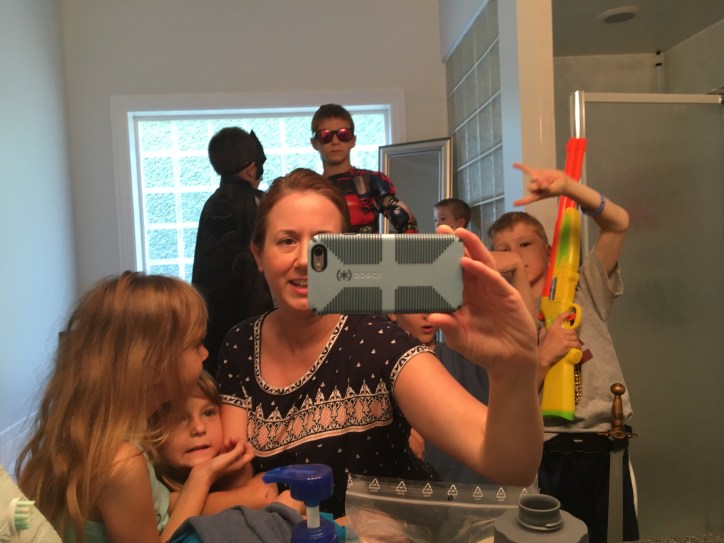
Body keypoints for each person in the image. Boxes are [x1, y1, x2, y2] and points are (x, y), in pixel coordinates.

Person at [216, 168, 543, 518]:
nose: (304, 261)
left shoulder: (379, 343)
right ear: (258, 254)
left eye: (322, 243)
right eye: (287, 241)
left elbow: (511, 466)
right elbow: (236, 482)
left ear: (348, 252)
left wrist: (511, 369)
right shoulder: (241, 345)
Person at [15, 272, 253, 543]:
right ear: (156, 365)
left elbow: (156, 508)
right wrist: (202, 479)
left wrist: (205, 478)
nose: (205, 353)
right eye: (196, 344)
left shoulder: (92, 434)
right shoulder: (123, 461)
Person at [488, 163, 637, 543]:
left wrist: (570, 188)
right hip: (542, 451)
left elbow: (618, 224)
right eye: (503, 249)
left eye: (525, 244)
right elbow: (504, 405)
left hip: (605, 443)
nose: (515, 255)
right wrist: (543, 357)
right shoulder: (497, 320)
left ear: (548, 249)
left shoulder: (585, 288)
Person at [153, 371, 303, 515]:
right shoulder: (154, 496)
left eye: (208, 413)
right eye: (179, 419)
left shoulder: (224, 478)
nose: (199, 428)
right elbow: (261, 497)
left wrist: (236, 468)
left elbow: (264, 492)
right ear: (151, 431)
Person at [192, 127, 274, 376]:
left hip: (213, 325)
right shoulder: (260, 202)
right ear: (251, 168)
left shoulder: (211, 204)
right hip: (255, 322)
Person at [387, 313, 490, 484]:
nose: (426, 314)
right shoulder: (377, 361)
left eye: (431, 301)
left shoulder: (464, 355)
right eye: (413, 302)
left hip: (474, 490)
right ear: (392, 312)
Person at [310, 103, 418, 233]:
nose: (335, 141)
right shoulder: (310, 188)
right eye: (325, 135)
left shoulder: (371, 181)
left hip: (369, 246)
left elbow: (404, 222)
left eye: (343, 134)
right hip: (324, 246)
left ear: (353, 140)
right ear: (314, 143)